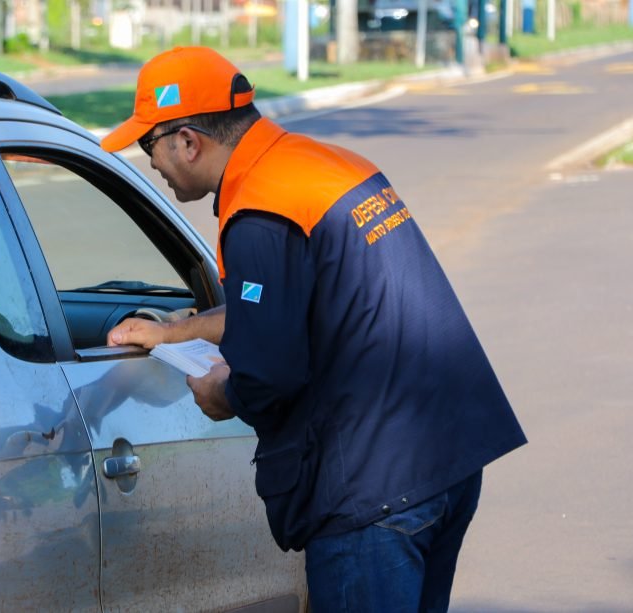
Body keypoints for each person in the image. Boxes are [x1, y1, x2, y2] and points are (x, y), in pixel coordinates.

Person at [100, 46, 526, 612]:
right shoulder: (322, 167)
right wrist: (176, 333)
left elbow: (270, 371)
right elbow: (296, 304)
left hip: (373, 493)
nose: (148, 160)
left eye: (147, 144)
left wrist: (221, 392)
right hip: (447, 463)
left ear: (187, 140)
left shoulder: (259, 209)